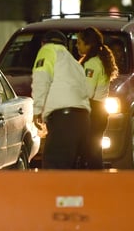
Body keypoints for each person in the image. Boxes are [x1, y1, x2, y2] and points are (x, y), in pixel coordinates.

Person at [32, 30, 91, 169]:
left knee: (54, 167)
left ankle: (57, 191)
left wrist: (37, 110)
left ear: (43, 43)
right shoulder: (75, 63)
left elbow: (41, 78)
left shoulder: (48, 50)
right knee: (72, 169)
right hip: (83, 119)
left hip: (64, 119)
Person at [77, 27, 118, 169]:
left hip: (92, 111)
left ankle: (93, 186)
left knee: (90, 154)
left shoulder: (92, 64)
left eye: (79, 43)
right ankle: (97, 185)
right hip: (100, 111)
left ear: (88, 44)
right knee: (94, 152)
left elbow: (87, 92)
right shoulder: (100, 60)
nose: (77, 46)